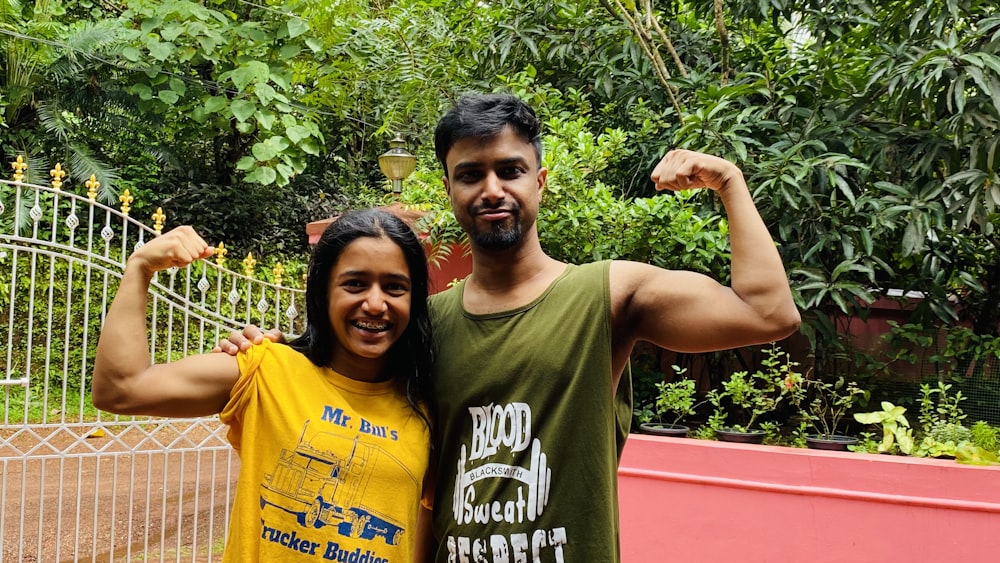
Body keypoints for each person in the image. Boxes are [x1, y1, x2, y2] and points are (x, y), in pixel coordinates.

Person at [222, 93, 801, 562]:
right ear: (450, 189)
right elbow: (363, 414)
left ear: (540, 181)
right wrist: (270, 349)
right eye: (471, 174)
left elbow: (767, 313)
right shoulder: (426, 323)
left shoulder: (608, 294)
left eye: (511, 170)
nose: (492, 189)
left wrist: (729, 183)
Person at [92, 209, 435, 562]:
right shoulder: (266, 369)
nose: (376, 304)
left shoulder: (427, 405)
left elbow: (430, 519)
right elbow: (120, 388)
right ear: (322, 293)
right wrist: (140, 268)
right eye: (355, 284)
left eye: (395, 287)